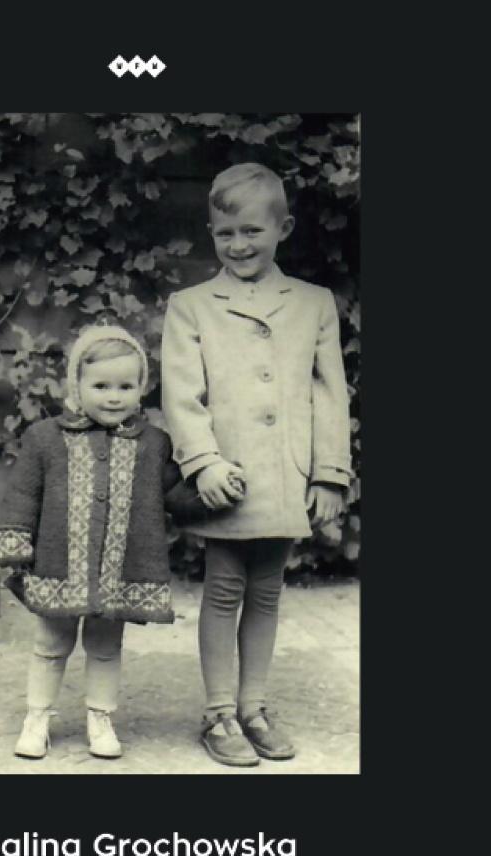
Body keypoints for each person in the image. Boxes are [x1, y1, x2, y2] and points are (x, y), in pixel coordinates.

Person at [161, 163, 352, 767]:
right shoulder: (191, 306)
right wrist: (203, 463)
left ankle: (253, 708)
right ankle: (218, 713)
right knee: (223, 588)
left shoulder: (314, 304)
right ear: (210, 234)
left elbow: (330, 392)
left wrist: (329, 473)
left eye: (251, 231)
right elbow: (182, 394)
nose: (239, 245)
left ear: (283, 228)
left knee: (267, 591)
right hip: (228, 477)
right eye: (225, 234)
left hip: (286, 474)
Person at [0, 325, 179, 761]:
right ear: (76, 384)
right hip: (59, 566)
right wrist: (16, 545)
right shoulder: (45, 438)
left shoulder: (153, 444)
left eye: (126, 387)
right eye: (101, 386)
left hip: (118, 571)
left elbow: (174, 494)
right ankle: (37, 717)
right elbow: (22, 496)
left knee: (106, 646)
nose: (114, 397)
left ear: (142, 387)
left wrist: (214, 492)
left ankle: (100, 718)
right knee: (50, 644)